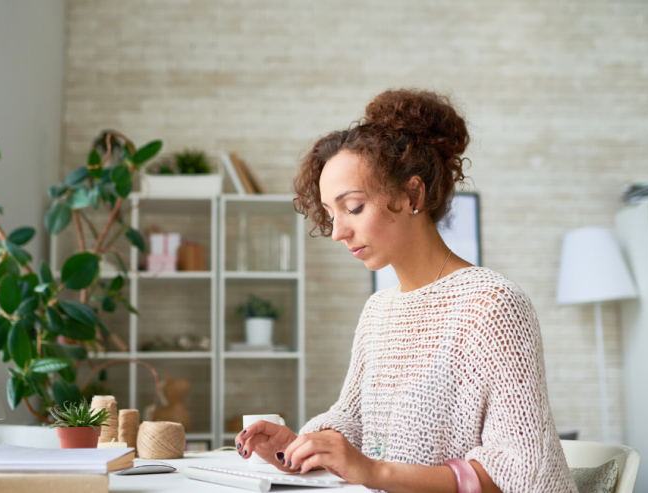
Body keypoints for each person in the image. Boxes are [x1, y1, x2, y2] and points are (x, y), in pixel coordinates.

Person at [234, 89, 576, 493]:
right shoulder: (378, 310)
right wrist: (295, 448)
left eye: (354, 207)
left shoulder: (492, 305)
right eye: (330, 214)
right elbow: (354, 420)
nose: (338, 232)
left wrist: (376, 473)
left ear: (413, 194)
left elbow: (524, 473)